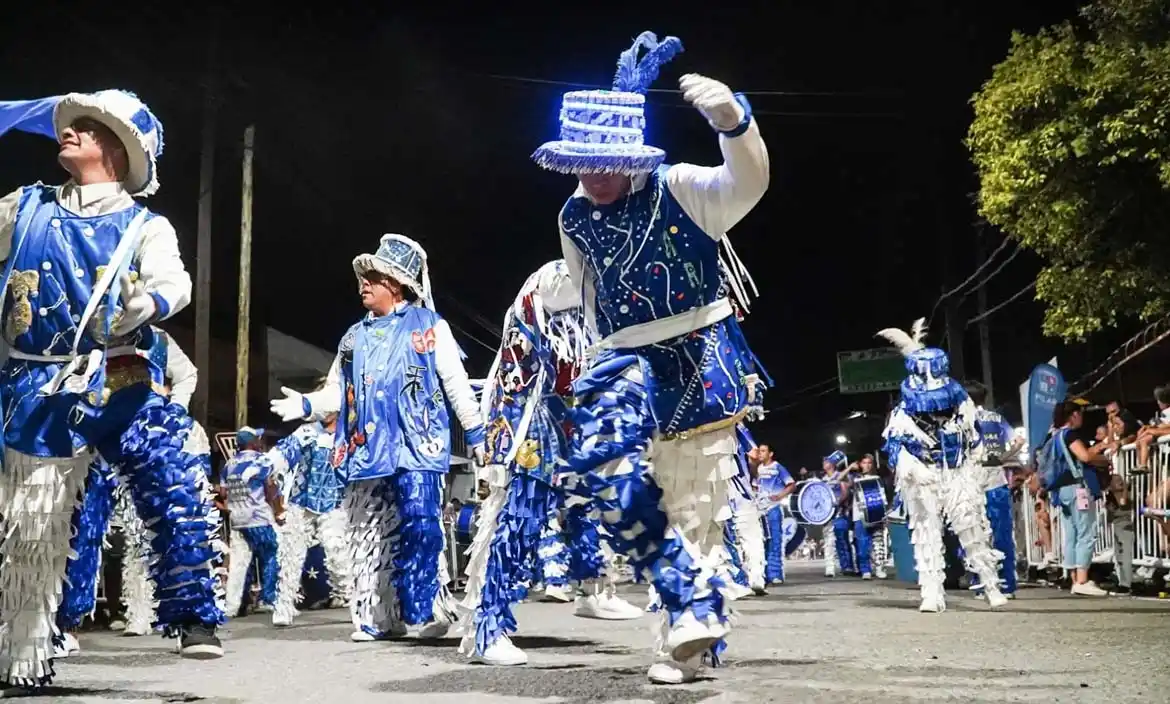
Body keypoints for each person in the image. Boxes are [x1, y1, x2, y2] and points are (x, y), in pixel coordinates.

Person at [534, 31, 769, 684]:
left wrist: (733, 123)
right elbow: (587, 292)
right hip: (622, 356)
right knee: (601, 465)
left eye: (601, 161)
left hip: (696, 349)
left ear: (630, 154)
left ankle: (685, 643)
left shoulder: (682, 188)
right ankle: (687, 598)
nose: (590, 176)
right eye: (578, 163)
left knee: (695, 503)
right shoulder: (573, 215)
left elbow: (746, 183)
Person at [0, 90, 224, 692]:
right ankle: (20, 658)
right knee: (32, 524)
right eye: (71, 126)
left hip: (120, 368)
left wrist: (148, 303)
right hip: (36, 381)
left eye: (86, 127)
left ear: (118, 153)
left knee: (172, 469)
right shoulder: (24, 208)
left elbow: (174, 282)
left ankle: (194, 617)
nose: (67, 131)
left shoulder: (145, 225)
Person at [270, 233, 485, 642]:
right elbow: (337, 389)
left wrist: (475, 432)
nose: (363, 284)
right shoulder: (353, 338)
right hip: (365, 451)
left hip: (417, 446)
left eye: (372, 277)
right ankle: (375, 616)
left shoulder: (429, 326)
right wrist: (308, 406)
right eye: (362, 278)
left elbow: (455, 382)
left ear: (396, 283)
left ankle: (424, 610)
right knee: (367, 532)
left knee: (422, 527)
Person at [460, 260, 640, 667]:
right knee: (518, 519)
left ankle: (593, 592)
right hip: (531, 418)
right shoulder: (557, 278)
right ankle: (488, 628)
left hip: (572, 417)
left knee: (587, 506)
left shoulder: (598, 291)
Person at [878, 319, 1007, 613]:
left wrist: (973, 469)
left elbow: (975, 442)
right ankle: (932, 593)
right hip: (923, 477)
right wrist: (913, 469)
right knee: (926, 532)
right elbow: (894, 450)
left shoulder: (962, 407)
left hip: (957, 473)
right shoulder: (903, 415)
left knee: (972, 528)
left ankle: (991, 585)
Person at [268, 410, 354, 627]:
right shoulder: (307, 431)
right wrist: (267, 464)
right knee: (290, 554)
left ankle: (356, 603)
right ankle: (284, 606)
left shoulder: (349, 432)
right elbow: (284, 451)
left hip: (335, 502)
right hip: (301, 500)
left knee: (338, 552)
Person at [1041, 400, 1111, 596]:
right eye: (1080, 414)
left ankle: (1073, 578)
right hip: (1077, 488)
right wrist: (1103, 458)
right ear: (1073, 415)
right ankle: (1082, 580)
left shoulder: (1054, 436)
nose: (1082, 418)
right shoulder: (1069, 435)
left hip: (1061, 491)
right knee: (1086, 532)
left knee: (1071, 533)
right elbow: (1085, 457)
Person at [966, 382, 1023, 599]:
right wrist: (1001, 459)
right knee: (1002, 535)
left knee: (975, 536)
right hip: (997, 480)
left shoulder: (963, 421)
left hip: (973, 483)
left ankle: (982, 585)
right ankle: (1007, 585)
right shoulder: (997, 418)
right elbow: (1018, 441)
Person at [223, 427, 284, 615]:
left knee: (239, 562)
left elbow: (224, 493)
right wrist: (278, 510)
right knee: (273, 553)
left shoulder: (229, 464)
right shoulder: (261, 460)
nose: (260, 441)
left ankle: (234, 605)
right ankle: (267, 599)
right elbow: (270, 489)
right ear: (252, 443)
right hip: (258, 518)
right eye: (258, 438)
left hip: (237, 519)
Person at [724, 424, 767, 595]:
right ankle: (756, 578)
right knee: (752, 537)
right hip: (741, 491)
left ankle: (735, 580)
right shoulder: (736, 425)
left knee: (724, 539)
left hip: (716, 492)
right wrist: (753, 474)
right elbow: (754, 454)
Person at [755, 444, 795, 585]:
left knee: (775, 542)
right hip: (759, 510)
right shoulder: (757, 469)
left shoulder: (778, 467)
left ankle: (775, 574)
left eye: (763, 451)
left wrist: (779, 496)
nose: (760, 453)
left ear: (770, 453)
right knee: (761, 543)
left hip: (773, 509)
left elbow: (791, 484)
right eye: (759, 451)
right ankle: (763, 574)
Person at [849, 454, 888, 580]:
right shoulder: (855, 479)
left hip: (877, 513)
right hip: (859, 515)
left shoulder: (877, 478)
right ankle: (866, 569)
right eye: (864, 462)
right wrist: (850, 468)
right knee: (863, 544)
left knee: (878, 543)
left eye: (869, 463)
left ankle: (880, 568)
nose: (867, 465)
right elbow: (840, 480)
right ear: (860, 464)